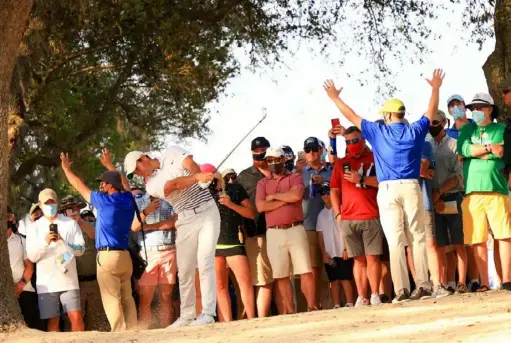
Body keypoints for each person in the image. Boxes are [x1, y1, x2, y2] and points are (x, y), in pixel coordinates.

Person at [323, 69, 445, 302]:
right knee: (417, 237)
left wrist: (334, 97)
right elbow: (430, 113)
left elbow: (351, 116)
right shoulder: (414, 131)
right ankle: (423, 285)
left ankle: (401, 291)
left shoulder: (378, 131)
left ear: (389, 115)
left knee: (396, 239)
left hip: (388, 189)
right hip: (411, 186)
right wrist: (436, 88)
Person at [124, 145, 220, 327]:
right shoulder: (151, 185)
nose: (137, 173)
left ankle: (208, 313)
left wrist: (200, 177)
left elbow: (192, 165)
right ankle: (187, 316)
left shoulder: (172, 152)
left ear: (143, 158)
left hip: (207, 211)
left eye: (137, 169)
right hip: (184, 219)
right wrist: (197, 178)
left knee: (204, 262)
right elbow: (172, 186)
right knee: (184, 269)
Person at [60, 150, 137, 332]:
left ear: (110, 185)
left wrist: (66, 170)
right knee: (127, 297)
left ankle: (119, 332)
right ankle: (134, 329)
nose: (101, 186)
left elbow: (79, 186)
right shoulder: (128, 199)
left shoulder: (104, 201)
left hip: (108, 256)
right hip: (126, 257)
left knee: (111, 298)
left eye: (103, 182)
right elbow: (125, 184)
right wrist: (110, 166)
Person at [457, 93, 511, 292]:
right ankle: (485, 283)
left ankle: (506, 280)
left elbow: (502, 152)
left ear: (490, 109)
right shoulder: (466, 129)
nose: (476, 111)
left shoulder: (500, 128)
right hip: (472, 191)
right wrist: (489, 148)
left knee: (504, 236)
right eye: (473, 108)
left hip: (497, 188)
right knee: (477, 239)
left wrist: (476, 152)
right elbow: (464, 150)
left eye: (480, 107)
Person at [256, 147, 316, 313]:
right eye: (269, 161)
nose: (273, 163)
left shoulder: (295, 176)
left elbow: (296, 196)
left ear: (283, 159)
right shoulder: (262, 183)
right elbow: (261, 206)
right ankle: (290, 310)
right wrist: (285, 199)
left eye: (276, 160)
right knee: (281, 275)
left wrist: (274, 197)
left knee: (305, 270)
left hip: (295, 228)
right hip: (274, 232)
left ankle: (311, 306)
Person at [330, 126, 383, 306]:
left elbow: (382, 182)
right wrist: (337, 213)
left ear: (363, 141)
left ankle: (375, 293)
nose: (352, 144)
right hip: (348, 219)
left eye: (355, 140)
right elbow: (334, 191)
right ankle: (362, 296)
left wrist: (360, 179)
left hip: (371, 214)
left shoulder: (375, 159)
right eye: (348, 142)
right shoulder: (340, 163)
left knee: (372, 257)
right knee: (358, 260)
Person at [26, 189, 85, 332]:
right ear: (40, 204)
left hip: (69, 280)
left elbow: (81, 249)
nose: (50, 205)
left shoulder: (70, 223)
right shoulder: (34, 227)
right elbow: (32, 256)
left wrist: (64, 242)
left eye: (52, 202)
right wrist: (45, 243)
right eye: (46, 203)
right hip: (46, 283)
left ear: (57, 202)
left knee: (75, 317)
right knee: (53, 321)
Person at [428, 110, 468, 295]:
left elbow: (457, 176)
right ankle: (443, 283)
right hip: (433, 202)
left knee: (459, 243)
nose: (432, 125)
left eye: (435, 122)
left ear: (444, 122)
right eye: (429, 122)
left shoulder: (454, 144)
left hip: (452, 197)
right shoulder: (426, 145)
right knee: (440, 246)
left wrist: (439, 192)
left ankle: (461, 282)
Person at [237, 137, 275, 317]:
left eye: (263, 151)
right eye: (256, 151)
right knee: (262, 279)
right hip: (256, 233)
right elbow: (239, 206)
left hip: (281, 229)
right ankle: (260, 319)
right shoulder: (244, 176)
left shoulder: (279, 171)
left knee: (281, 277)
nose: (260, 154)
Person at [59, 196, 110, 331]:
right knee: (74, 322)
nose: (72, 211)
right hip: (74, 283)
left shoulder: (91, 223)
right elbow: (60, 255)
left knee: (98, 321)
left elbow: (94, 235)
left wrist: (80, 222)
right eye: (68, 209)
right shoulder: (60, 227)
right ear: (63, 212)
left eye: (74, 208)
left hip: (95, 280)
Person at [213, 168, 256, 322]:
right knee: (219, 286)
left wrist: (230, 204)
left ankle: (252, 319)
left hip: (233, 242)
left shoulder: (235, 189)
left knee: (244, 283)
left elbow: (251, 213)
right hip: (214, 245)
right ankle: (226, 323)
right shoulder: (202, 195)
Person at [131, 187, 178, 329]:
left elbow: (175, 222)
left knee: (166, 298)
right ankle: (145, 333)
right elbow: (134, 226)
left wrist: (150, 226)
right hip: (147, 254)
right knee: (145, 299)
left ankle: (166, 333)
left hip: (168, 250)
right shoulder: (138, 202)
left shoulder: (171, 199)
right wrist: (146, 211)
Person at [297, 136, 331, 309]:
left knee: (332, 266)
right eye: (307, 150)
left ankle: (330, 304)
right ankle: (313, 305)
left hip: (330, 225)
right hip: (309, 225)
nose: (310, 153)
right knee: (313, 267)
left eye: (313, 149)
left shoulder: (330, 169)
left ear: (320, 150)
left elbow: (339, 188)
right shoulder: (300, 173)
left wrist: (324, 182)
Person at [316, 184, 355, 308]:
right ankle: (337, 304)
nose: (325, 196)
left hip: (341, 250)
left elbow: (346, 230)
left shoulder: (341, 209)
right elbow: (320, 235)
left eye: (327, 192)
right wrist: (323, 253)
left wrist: (345, 248)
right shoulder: (321, 214)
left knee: (345, 278)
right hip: (329, 252)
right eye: (322, 193)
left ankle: (349, 303)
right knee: (334, 280)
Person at [7, 206, 45, 330]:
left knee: (34, 326)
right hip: (4, 292)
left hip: (24, 290)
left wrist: (20, 285)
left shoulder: (22, 241)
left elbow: (29, 267)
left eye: (8, 216)